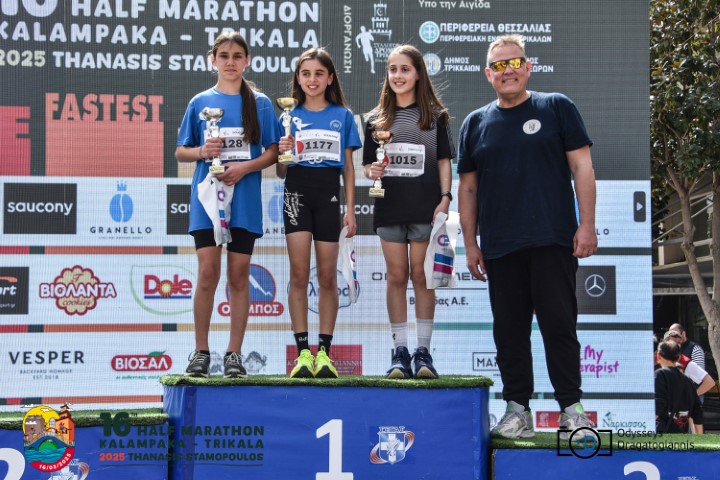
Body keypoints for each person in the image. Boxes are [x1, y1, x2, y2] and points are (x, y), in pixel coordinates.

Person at [457, 34, 597, 438]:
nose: (508, 71)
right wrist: (471, 243)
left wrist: (587, 224)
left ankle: (572, 410)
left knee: (559, 327)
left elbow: (582, 168)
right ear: (488, 74)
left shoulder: (556, 107)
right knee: (509, 333)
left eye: (514, 62)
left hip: (553, 240)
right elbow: (468, 189)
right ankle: (517, 410)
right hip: (501, 247)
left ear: (528, 66)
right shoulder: (475, 123)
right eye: (499, 65)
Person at [176, 32, 280, 378]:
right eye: (224, 55)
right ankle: (201, 352)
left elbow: (273, 151)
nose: (230, 62)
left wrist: (244, 168)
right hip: (207, 200)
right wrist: (201, 152)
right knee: (208, 272)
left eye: (237, 56)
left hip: (245, 200)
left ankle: (234, 354)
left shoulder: (260, 104)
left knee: (238, 276)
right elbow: (181, 151)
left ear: (247, 61)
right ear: (213, 60)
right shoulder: (200, 102)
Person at [363, 44, 454, 379]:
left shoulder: (435, 116)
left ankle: (423, 352)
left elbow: (443, 161)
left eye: (404, 69)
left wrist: (445, 197)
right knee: (397, 276)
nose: (398, 75)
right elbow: (369, 166)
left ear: (418, 74)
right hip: (389, 208)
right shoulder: (375, 119)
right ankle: (400, 351)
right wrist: (371, 171)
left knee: (422, 275)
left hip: (425, 209)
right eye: (392, 69)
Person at [276, 48, 361, 378]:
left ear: (329, 78)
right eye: (306, 74)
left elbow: (349, 168)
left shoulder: (343, 115)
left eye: (318, 74)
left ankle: (324, 353)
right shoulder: (288, 116)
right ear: (298, 79)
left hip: (328, 196)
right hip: (295, 195)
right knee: (299, 275)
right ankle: (302, 354)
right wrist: (283, 154)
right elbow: (281, 172)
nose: (312, 80)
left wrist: (350, 209)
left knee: (327, 276)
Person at [655, 340, 704, 433]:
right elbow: (697, 412)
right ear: (679, 357)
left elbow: (657, 405)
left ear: (658, 355)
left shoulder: (660, 375)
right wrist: (699, 437)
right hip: (681, 436)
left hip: (661, 435)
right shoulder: (688, 381)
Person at [663, 330, 715, 398]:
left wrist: (690, 397)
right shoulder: (657, 359)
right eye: (672, 343)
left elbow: (709, 382)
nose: (676, 346)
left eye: (678, 343)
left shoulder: (685, 362)